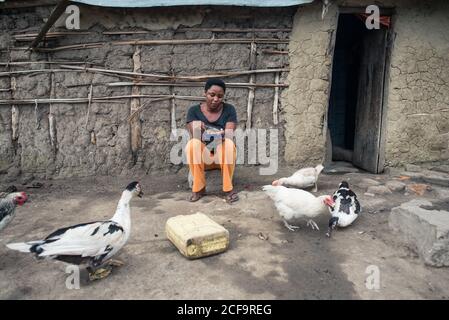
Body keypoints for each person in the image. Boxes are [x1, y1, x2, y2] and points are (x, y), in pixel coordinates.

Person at [185, 78, 239, 203]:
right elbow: (195, 134)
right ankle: (199, 188)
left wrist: (222, 135)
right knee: (193, 144)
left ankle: (227, 189)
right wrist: (198, 126)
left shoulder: (229, 109)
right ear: (205, 93)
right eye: (212, 95)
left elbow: (229, 133)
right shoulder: (194, 111)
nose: (216, 99)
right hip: (204, 159)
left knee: (229, 144)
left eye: (220, 96)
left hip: (222, 158)